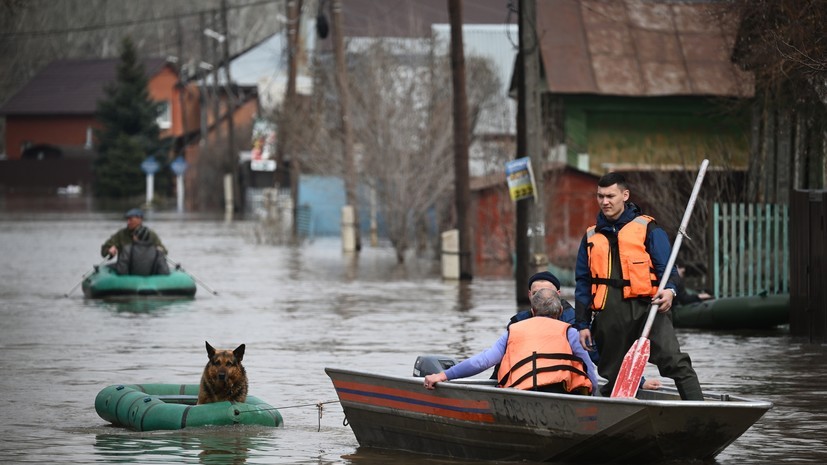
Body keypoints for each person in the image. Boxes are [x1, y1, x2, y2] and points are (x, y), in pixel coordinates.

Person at [574, 172, 703, 400]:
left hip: (648, 309)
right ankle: (614, 415)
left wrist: (670, 291)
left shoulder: (649, 229)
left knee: (675, 362)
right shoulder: (591, 236)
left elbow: (669, 272)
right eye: (600, 196)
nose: (605, 202)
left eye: (610, 196)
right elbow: (583, 283)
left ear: (625, 195)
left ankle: (700, 410)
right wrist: (583, 324)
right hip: (609, 314)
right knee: (615, 374)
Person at [424, 288, 599, 396]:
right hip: (560, 392)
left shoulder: (514, 330)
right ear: (561, 311)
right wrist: (594, 395)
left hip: (521, 393)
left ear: (532, 311)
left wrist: (443, 375)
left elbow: (483, 361)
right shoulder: (571, 333)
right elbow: (589, 369)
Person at [101, 208, 166, 258]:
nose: (128, 222)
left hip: (146, 266)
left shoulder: (150, 234)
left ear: (139, 219)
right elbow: (104, 250)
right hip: (125, 267)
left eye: (131, 220)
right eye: (127, 220)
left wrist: (160, 250)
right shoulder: (121, 234)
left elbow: (164, 251)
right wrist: (109, 251)